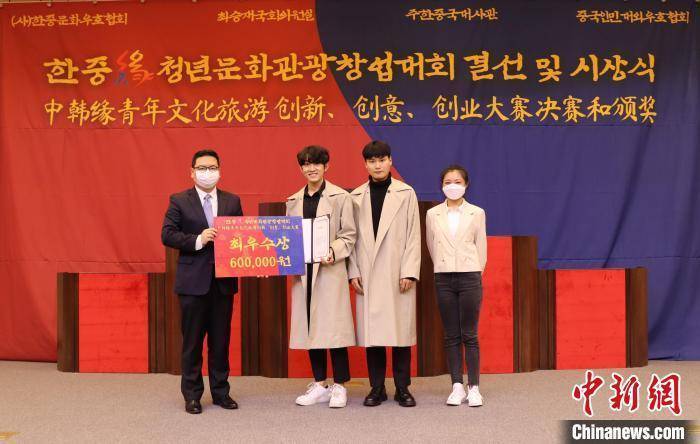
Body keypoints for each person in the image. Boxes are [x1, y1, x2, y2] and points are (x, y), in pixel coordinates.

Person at [161, 149, 243, 414]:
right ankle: (192, 395)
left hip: (223, 283)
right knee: (192, 343)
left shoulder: (232, 201)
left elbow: (243, 238)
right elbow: (168, 234)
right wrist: (198, 239)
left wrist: (258, 261)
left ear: (220, 170)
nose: (207, 172)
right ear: (192, 172)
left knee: (220, 342)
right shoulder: (179, 200)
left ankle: (221, 392)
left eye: (212, 168)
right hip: (192, 283)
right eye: (202, 168)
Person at [348, 140, 421, 407]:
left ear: (390, 161)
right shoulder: (355, 197)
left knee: (400, 335)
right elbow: (350, 238)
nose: (377, 165)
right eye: (372, 161)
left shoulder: (406, 193)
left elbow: (414, 235)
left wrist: (409, 271)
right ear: (365, 164)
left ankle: (403, 388)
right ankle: (376, 387)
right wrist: (353, 271)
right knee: (373, 336)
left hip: (397, 272)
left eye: (382, 160)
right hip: (367, 274)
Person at [286, 145, 357, 408]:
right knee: (311, 329)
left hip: (330, 270)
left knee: (334, 330)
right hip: (303, 273)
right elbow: (287, 238)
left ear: (327, 166)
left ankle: (340, 386)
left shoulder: (341, 197)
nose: (311, 168)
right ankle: (319, 384)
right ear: (301, 168)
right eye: (306, 164)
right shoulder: (293, 201)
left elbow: (349, 234)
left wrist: (333, 250)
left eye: (316, 163)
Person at [425, 165, 486, 407]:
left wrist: (474, 271)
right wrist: (444, 265)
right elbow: (432, 245)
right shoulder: (433, 214)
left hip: (470, 275)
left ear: (466, 184)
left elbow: (481, 247)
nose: (452, 186)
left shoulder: (477, 213)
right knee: (451, 335)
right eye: (448, 182)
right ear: (442, 186)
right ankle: (456, 386)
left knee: (469, 334)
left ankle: (474, 387)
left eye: (457, 182)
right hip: (443, 277)